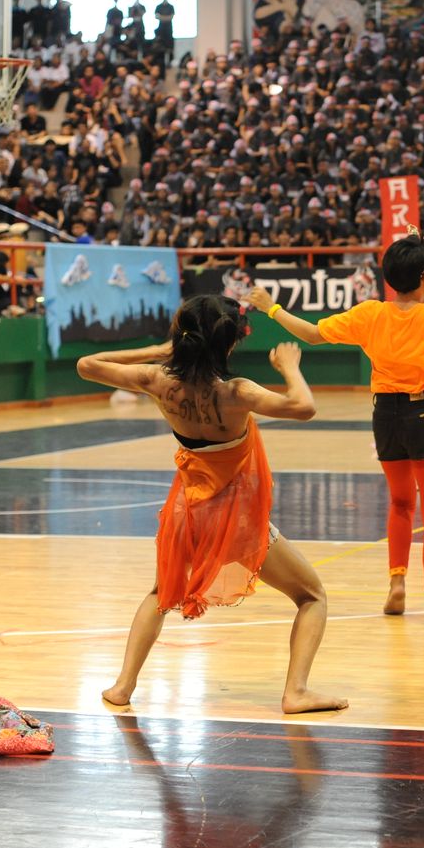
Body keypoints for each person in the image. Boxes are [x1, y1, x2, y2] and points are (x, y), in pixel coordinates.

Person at [75, 296, 346, 714]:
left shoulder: (157, 380)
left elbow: (86, 365)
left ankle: (123, 686)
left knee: (161, 594)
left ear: (181, 338)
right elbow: (303, 407)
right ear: (230, 344)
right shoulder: (237, 392)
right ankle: (296, 692)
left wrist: (158, 351)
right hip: (234, 518)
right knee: (312, 596)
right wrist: (290, 367)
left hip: (185, 512)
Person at [248, 230, 424, 625]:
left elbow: (312, 334)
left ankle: (396, 586)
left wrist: (272, 309)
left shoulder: (370, 314)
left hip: (385, 416)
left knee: (400, 504)